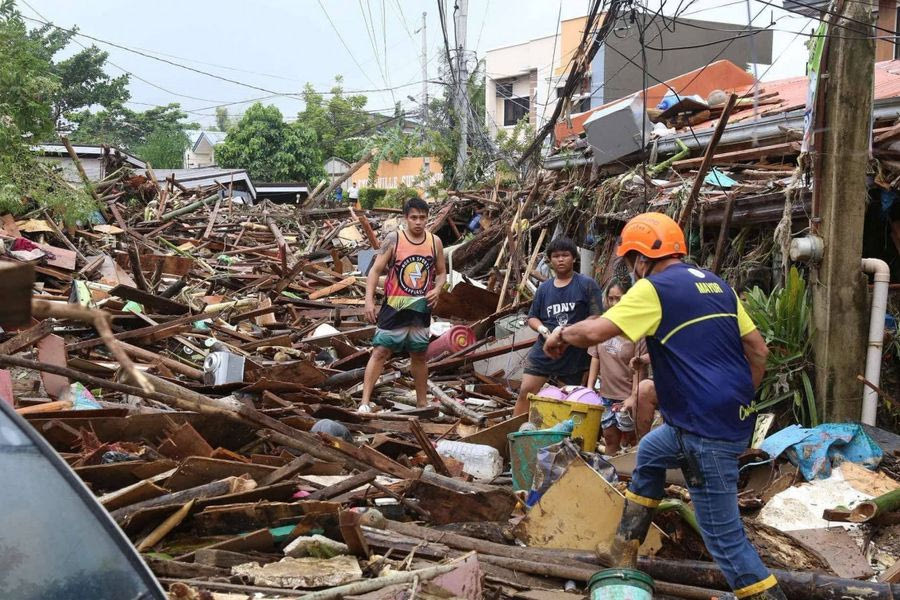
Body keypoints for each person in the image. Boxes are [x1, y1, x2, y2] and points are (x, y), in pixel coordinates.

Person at [543, 212, 782, 600]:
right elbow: (758, 350)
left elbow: (597, 331)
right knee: (651, 452)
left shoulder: (654, 288)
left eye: (632, 261)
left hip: (704, 431)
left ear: (641, 259)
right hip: (716, 420)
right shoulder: (719, 286)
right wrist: (738, 399)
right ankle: (624, 550)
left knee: (724, 541)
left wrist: (560, 334)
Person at [360, 197, 446, 412]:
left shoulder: (434, 242)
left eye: (422, 218)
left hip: (420, 307)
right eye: (414, 217)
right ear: (405, 218)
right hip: (395, 306)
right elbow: (375, 270)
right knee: (380, 351)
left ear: (428, 218)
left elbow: (442, 272)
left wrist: (437, 289)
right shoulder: (394, 239)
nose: (418, 222)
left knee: (419, 355)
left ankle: (422, 402)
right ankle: (364, 402)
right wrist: (369, 300)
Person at [513, 237, 604, 416]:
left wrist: (572, 333)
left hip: (574, 353)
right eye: (555, 256)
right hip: (545, 349)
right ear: (550, 260)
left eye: (565, 255)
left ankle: (566, 439)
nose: (560, 259)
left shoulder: (587, 285)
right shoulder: (544, 289)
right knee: (526, 392)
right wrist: (543, 330)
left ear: (574, 258)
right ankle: (514, 432)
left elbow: (596, 316)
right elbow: (532, 317)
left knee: (570, 400)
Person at [586, 280, 654, 455]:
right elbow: (595, 357)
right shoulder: (602, 325)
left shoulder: (637, 328)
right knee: (609, 438)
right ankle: (611, 477)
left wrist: (633, 397)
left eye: (619, 299)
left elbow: (639, 365)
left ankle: (632, 476)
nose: (615, 303)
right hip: (606, 395)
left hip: (628, 396)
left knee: (632, 441)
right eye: (611, 299)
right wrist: (589, 388)